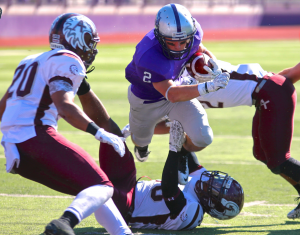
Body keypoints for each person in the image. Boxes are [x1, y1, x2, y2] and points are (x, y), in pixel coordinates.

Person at [0, 13, 133, 235]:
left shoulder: (30, 61)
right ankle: (64, 223)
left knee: (93, 190)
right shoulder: (68, 60)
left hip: (14, 150)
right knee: (103, 187)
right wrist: (99, 133)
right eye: (90, 41)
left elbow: (3, 108)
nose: (93, 48)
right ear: (76, 39)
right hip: (37, 137)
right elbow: (64, 107)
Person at [158, 59, 300, 220]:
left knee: (278, 160)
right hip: (267, 92)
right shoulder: (179, 92)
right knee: (262, 154)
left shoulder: (189, 78)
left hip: (269, 92)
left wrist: (139, 132)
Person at [92, 117, 244, 231]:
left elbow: (169, 190)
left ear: (214, 205)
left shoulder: (193, 213)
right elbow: (185, 149)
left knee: (91, 182)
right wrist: (179, 121)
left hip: (124, 207)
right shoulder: (201, 180)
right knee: (111, 131)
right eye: (218, 182)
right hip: (130, 184)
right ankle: (82, 86)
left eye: (217, 189)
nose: (213, 182)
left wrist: (174, 149)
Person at [125, 3, 230, 162]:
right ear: (160, 37)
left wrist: (213, 64)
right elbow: (171, 94)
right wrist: (209, 86)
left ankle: (181, 154)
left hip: (178, 86)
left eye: (183, 41)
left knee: (203, 138)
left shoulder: (194, 34)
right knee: (141, 139)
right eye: (171, 42)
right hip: (147, 100)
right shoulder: (147, 55)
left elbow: (199, 48)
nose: (178, 47)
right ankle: (140, 142)